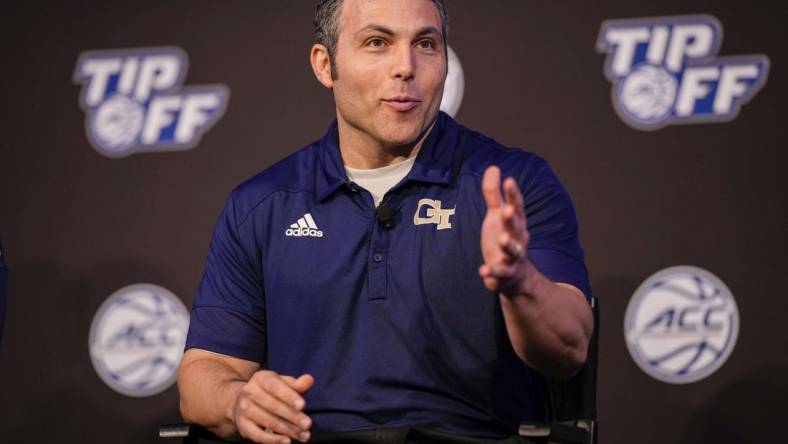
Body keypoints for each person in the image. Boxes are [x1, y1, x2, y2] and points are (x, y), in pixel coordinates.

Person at [177, 1, 594, 443]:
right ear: (325, 65)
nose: (406, 67)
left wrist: (519, 282)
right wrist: (237, 400)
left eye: (426, 44)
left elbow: (570, 348)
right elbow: (205, 374)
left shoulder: (512, 184)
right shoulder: (261, 205)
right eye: (377, 43)